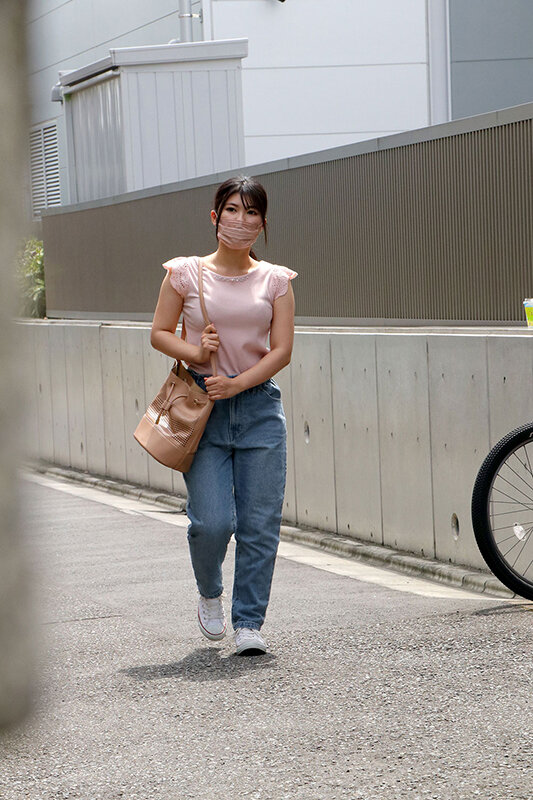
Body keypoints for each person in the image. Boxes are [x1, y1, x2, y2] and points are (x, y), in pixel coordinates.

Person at [150, 176, 297, 656]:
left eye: (251, 212)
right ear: (215, 217)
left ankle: (249, 622)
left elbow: (282, 351)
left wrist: (239, 383)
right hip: (202, 410)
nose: (241, 220)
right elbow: (159, 332)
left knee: (259, 523)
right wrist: (197, 351)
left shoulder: (276, 281)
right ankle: (210, 590)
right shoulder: (185, 273)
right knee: (211, 522)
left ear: (263, 222)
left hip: (259, 410)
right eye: (232, 210)